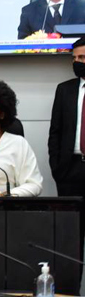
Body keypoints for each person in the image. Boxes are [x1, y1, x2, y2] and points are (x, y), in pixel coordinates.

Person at [48, 37, 85, 196]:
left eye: (82, 57)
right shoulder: (64, 90)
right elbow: (55, 131)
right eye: (74, 58)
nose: (76, 62)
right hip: (69, 169)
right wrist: (57, 168)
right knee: (70, 220)